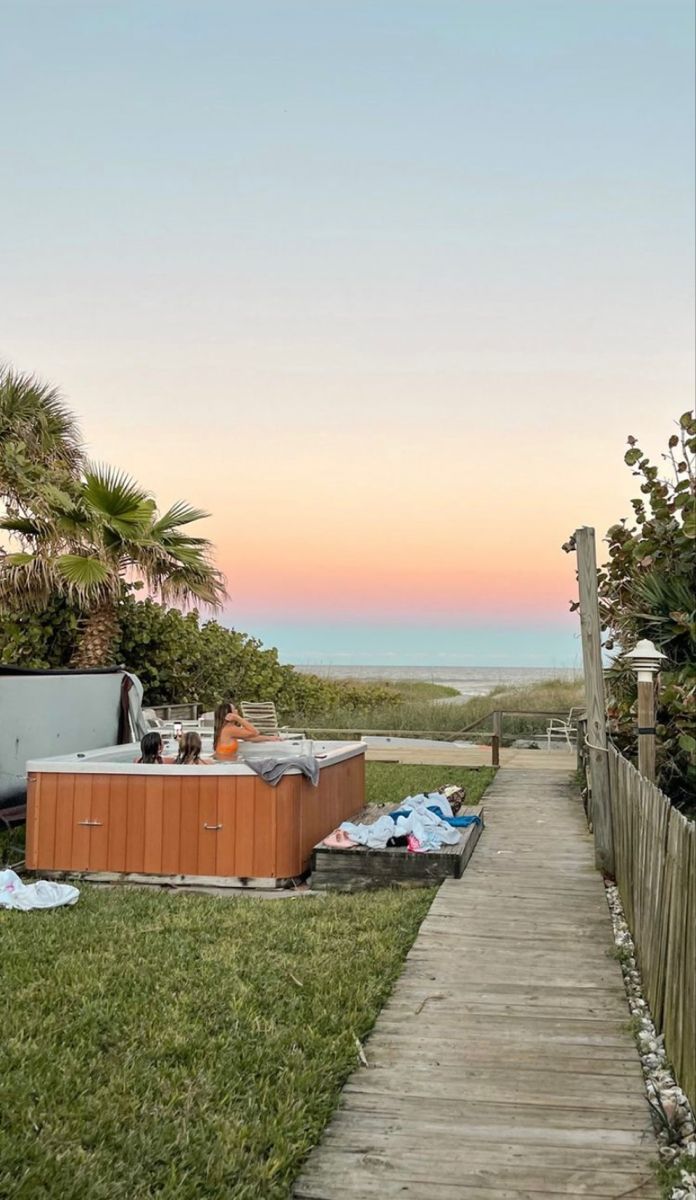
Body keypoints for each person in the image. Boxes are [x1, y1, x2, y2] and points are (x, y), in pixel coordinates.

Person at [213, 700, 280, 759]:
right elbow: (255, 732)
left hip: (223, 759)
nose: (237, 711)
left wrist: (270, 738)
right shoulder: (230, 729)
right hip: (224, 761)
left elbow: (249, 738)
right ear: (230, 714)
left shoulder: (227, 728)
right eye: (234, 709)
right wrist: (238, 718)